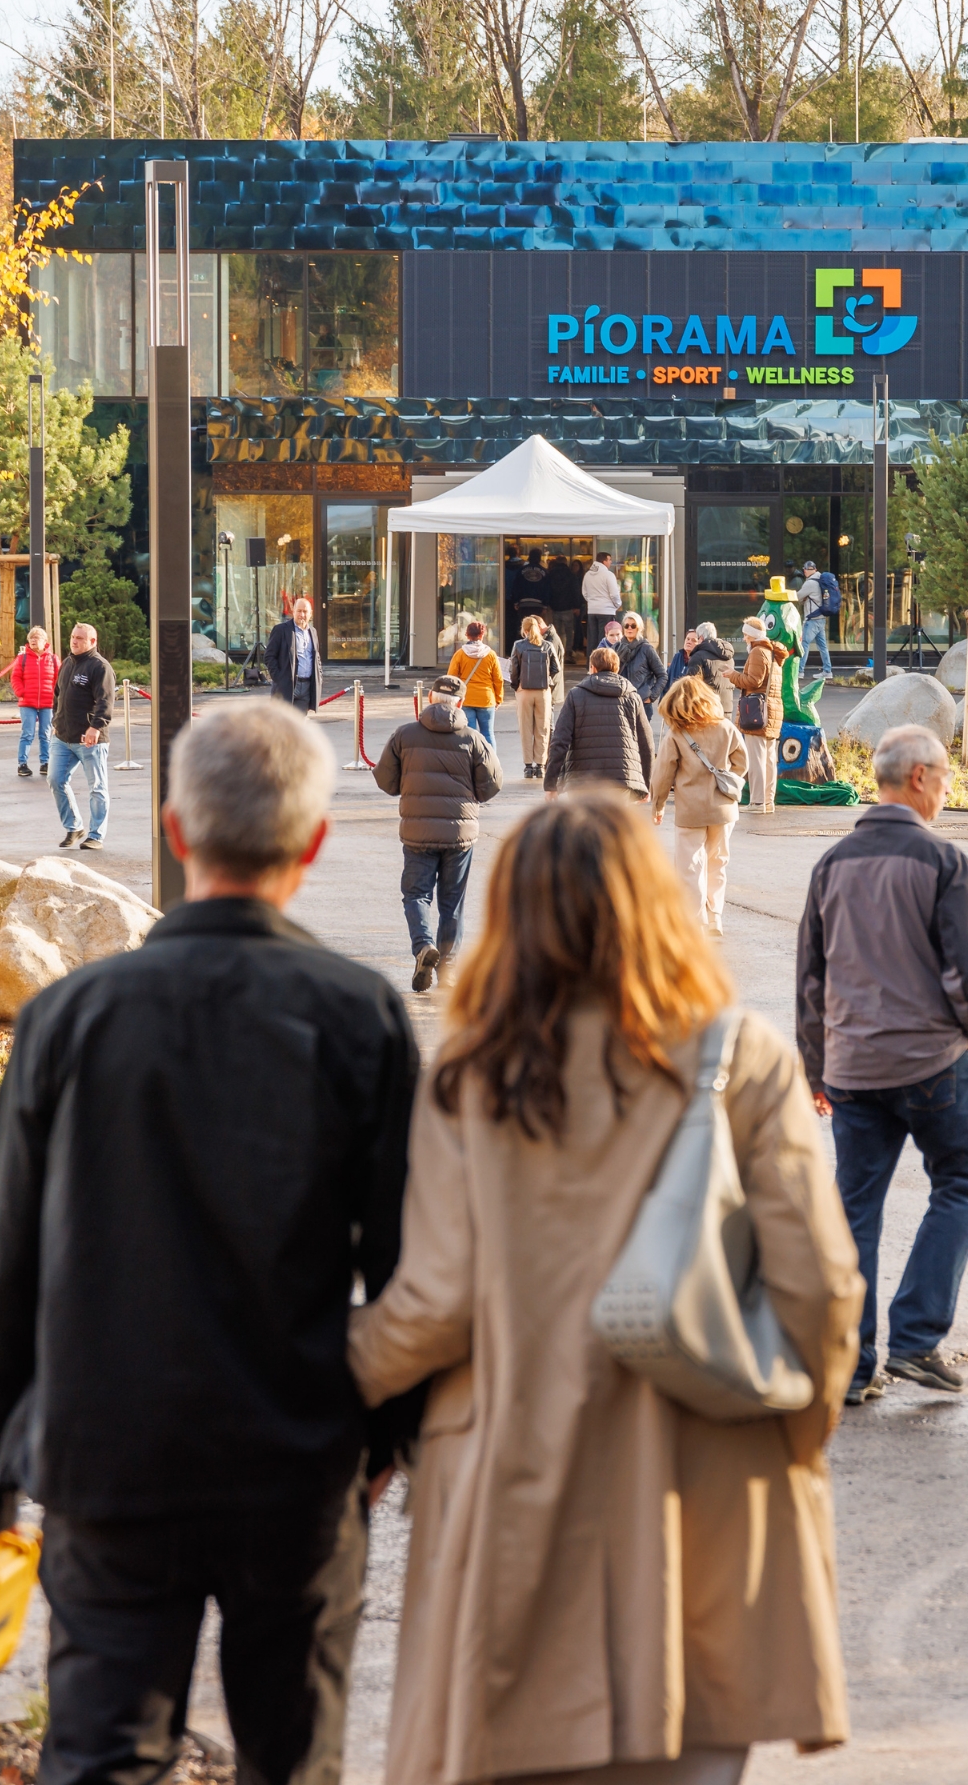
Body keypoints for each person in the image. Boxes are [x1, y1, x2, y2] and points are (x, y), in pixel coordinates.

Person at [0, 700, 421, 1785]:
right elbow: (407, 1265)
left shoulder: (73, 1017)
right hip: (294, 1458)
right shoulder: (359, 1015)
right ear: (315, 843)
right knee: (292, 1759)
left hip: (109, 1454)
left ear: (174, 828)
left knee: (104, 1756)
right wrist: (386, 1441)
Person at [348, 792, 863, 1785]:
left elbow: (434, 1306)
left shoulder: (468, 1076)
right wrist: (793, 1437)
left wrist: (322, 1376)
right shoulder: (742, 1058)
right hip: (711, 1492)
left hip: (518, 1494)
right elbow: (824, 1292)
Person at [797, 722, 968, 1404]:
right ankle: (919, 1337)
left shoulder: (831, 864)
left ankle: (852, 1363)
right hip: (929, 1062)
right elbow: (961, 977)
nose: (949, 792)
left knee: (855, 1205)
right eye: (947, 780)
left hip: (851, 1067)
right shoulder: (942, 863)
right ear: (920, 778)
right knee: (959, 1179)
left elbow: (811, 980)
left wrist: (816, 1069)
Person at [373, 674, 503, 992]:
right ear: (460, 703)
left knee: (416, 894)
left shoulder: (404, 735)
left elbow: (386, 780)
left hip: (417, 831)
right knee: (452, 901)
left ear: (429, 697)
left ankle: (422, 947)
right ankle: (449, 968)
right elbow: (493, 784)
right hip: (460, 833)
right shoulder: (473, 738)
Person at [651, 675, 747, 936]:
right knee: (718, 862)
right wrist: (726, 780)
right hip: (724, 808)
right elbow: (742, 763)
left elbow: (663, 775)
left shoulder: (676, 734)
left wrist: (658, 805)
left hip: (690, 809)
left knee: (689, 865)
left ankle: (694, 923)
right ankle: (715, 917)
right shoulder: (726, 727)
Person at [544, 645, 653, 801]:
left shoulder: (576, 695)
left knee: (584, 825)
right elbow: (647, 744)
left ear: (592, 668)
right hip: (622, 780)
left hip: (582, 781)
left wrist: (551, 784)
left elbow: (559, 741)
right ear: (617, 668)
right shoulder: (632, 697)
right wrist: (645, 785)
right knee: (615, 825)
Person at [49, 624, 116, 850]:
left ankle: (96, 835)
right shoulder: (67, 664)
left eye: (80, 638)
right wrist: (55, 722)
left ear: (92, 641)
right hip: (62, 737)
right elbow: (57, 696)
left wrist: (95, 727)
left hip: (90, 740)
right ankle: (74, 827)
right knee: (56, 780)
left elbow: (105, 701)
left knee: (97, 787)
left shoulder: (100, 667)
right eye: (72, 637)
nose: (74, 641)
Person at [725, 616, 786, 815]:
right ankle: (768, 801)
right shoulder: (772, 652)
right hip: (772, 710)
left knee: (757, 757)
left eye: (745, 635)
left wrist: (732, 675)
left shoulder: (758, 652)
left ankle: (758, 802)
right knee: (768, 758)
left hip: (758, 711)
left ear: (752, 636)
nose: (744, 639)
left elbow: (753, 681)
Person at [509, 615, 560, 778]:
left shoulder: (518, 645)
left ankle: (528, 766)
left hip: (524, 690)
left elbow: (513, 669)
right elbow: (555, 668)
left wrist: (516, 685)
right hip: (543, 691)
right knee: (543, 728)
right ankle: (540, 765)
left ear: (524, 630)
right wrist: (547, 681)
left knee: (526, 728)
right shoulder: (547, 645)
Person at [446, 620, 504, 748]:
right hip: (486, 699)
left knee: (469, 734)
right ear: (482, 635)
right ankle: (490, 763)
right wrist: (498, 699)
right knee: (488, 734)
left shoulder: (460, 654)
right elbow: (498, 679)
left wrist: (453, 698)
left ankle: (470, 762)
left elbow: (451, 677)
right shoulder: (491, 655)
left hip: (466, 699)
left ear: (467, 635)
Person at [12, 625, 59, 779]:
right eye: (31, 638)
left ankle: (45, 763)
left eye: (36, 637)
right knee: (27, 733)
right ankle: (22, 764)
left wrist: (55, 695)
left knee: (46, 733)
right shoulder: (22, 658)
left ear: (44, 641)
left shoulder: (53, 659)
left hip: (47, 702)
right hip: (27, 702)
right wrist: (21, 692)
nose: (33, 640)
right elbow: (15, 677)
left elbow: (60, 679)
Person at [265, 596, 323, 713]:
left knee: (299, 726)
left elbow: (316, 657)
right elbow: (269, 656)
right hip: (286, 686)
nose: (302, 615)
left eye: (305, 611)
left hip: (306, 687)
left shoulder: (313, 632)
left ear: (310, 614)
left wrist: (319, 676)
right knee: (281, 725)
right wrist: (279, 678)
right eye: (299, 611)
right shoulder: (281, 630)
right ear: (293, 612)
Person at [616, 611, 668, 722]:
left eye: (633, 626)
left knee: (641, 739)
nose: (629, 628)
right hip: (620, 703)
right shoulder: (616, 648)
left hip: (641, 704)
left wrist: (651, 696)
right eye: (627, 625)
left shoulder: (646, 649)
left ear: (639, 628)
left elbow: (662, 675)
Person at [686, 620, 736, 718]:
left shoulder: (698, 656)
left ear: (701, 638)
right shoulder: (729, 657)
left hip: (707, 709)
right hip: (726, 709)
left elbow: (690, 686)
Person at [797, 560, 834, 680]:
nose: (804, 572)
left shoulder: (810, 583)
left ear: (808, 570)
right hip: (821, 618)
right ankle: (827, 671)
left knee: (804, 644)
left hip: (812, 619)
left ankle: (799, 671)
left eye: (805, 570)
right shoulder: (820, 579)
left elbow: (797, 596)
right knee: (822, 646)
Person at [581, 549, 622, 656]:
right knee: (604, 639)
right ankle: (602, 662)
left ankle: (591, 664)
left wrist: (591, 602)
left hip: (592, 610)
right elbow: (614, 594)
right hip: (606, 610)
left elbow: (584, 593)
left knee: (592, 639)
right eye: (609, 560)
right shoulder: (608, 575)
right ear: (604, 561)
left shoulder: (587, 575)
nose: (611, 562)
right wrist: (617, 605)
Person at [547, 554, 583, 659]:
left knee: (558, 631)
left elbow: (548, 590)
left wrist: (549, 603)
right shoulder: (571, 574)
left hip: (555, 607)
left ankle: (558, 651)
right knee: (569, 631)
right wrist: (577, 606)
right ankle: (568, 651)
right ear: (565, 563)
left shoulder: (551, 574)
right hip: (568, 607)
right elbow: (575, 591)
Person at [537, 615, 567, 730]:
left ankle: (551, 746)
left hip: (550, 685)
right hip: (550, 685)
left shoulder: (551, 640)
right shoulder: (548, 637)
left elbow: (551, 666)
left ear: (538, 626)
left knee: (548, 721)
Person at [513, 548, 551, 624]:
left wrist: (516, 602)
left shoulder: (521, 571)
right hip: (538, 604)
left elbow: (516, 587)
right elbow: (547, 589)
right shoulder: (544, 571)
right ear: (539, 557)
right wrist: (545, 605)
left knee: (524, 628)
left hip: (523, 604)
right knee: (536, 627)